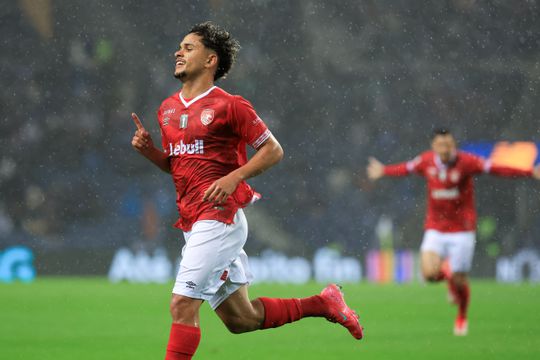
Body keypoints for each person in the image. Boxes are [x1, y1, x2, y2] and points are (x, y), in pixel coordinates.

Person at [130, 22, 363, 359]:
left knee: (182, 304)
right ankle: (323, 303)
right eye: (179, 47)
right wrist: (150, 152)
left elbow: (273, 150)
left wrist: (233, 178)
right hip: (193, 221)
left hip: (219, 219)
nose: (178, 53)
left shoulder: (231, 106)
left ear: (211, 60)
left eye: (188, 47)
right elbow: (177, 165)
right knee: (241, 319)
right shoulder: (166, 109)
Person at [367, 128, 540, 336]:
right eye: (441, 145)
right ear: (433, 146)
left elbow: (496, 168)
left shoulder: (466, 162)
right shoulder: (426, 161)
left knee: (460, 281)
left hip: (462, 230)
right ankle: (446, 274)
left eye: (449, 144)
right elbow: (406, 169)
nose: (446, 149)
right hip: (436, 228)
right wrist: (384, 171)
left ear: (454, 145)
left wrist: (529, 172)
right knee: (429, 274)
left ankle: (462, 316)